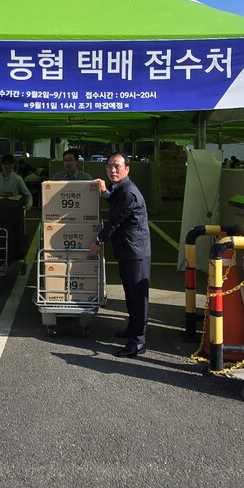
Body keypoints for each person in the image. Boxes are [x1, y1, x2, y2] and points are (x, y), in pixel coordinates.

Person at [89, 153, 151, 358]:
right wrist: (105, 192)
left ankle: (138, 341)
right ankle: (132, 329)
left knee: (137, 296)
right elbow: (114, 200)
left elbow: (114, 221)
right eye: (109, 167)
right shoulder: (121, 188)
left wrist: (98, 241)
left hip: (136, 252)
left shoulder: (129, 192)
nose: (113, 170)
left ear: (127, 169)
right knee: (130, 293)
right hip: (127, 250)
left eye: (117, 166)